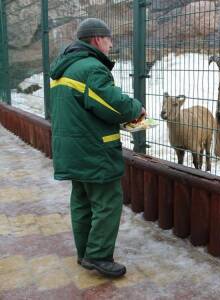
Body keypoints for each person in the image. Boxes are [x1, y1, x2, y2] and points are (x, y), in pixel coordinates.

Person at [50, 18, 145, 278]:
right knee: (107, 202)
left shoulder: (64, 69)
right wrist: (136, 108)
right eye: (108, 38)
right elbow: (113, 105)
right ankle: (99, 255)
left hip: (70, 149)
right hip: (93, 151)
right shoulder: (91, 68)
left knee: (81, 201)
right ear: (95, 40)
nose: (111, 43)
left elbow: (83, 108)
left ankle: (85, 253)